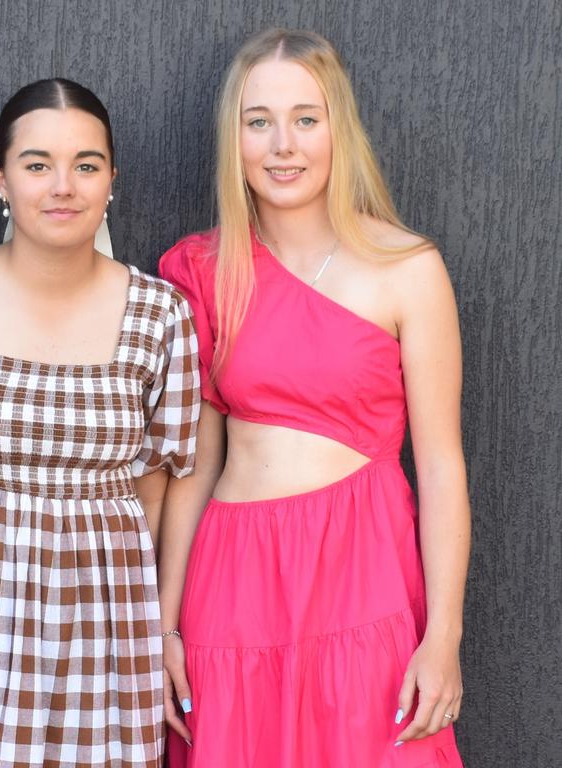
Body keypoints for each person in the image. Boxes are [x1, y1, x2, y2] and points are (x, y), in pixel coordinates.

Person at [156, 29, 470, 767]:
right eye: (256, 121)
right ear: (232, 139)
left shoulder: (406, 269)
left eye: (305, 117)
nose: (281, 145)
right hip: (233, 575)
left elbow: (441, 465)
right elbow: (192, 467)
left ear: (339, 128)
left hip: (363, 566)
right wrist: (162, 628)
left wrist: (443, 636)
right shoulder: (199, 269)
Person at [0, 78, 200, 767]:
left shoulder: (161, 314)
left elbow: (156, 484)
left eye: (85, 165)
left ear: (111, 180)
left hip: (98, 609)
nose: (62, 186)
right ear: (0, 178)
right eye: (36, 164)